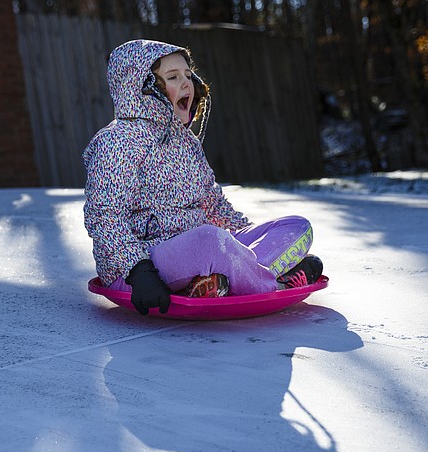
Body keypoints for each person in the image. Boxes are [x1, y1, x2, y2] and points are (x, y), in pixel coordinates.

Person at [83, 39, 322, 315]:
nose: (187, 83)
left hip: (201, 249)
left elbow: (213, 206)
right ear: (141, 89)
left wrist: (244, 243)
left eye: (188, 74)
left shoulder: (187, 142)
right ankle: (275, 286)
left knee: (296, 226)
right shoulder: (117, 142)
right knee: (210, 241)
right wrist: (137, 270)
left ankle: (219, 281)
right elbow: (104, 216)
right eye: (172, 77)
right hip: (142, 266)